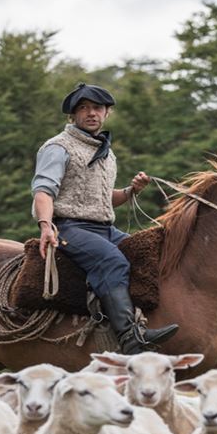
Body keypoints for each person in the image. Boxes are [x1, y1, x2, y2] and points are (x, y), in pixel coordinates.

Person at [31, 82, 178, 354]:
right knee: (111, 260)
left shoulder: (107, 153)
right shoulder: (58, 147)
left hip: (104, 229)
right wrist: (45, 225)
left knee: (149, 251)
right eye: (83, 108)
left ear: (106, 112)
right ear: (72, 115)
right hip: (68, 227)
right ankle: (130, 338)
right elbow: (43, 191)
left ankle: (147, 322)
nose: (91, 113)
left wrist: (131, 191)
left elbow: (102, 198)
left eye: (97, 108)